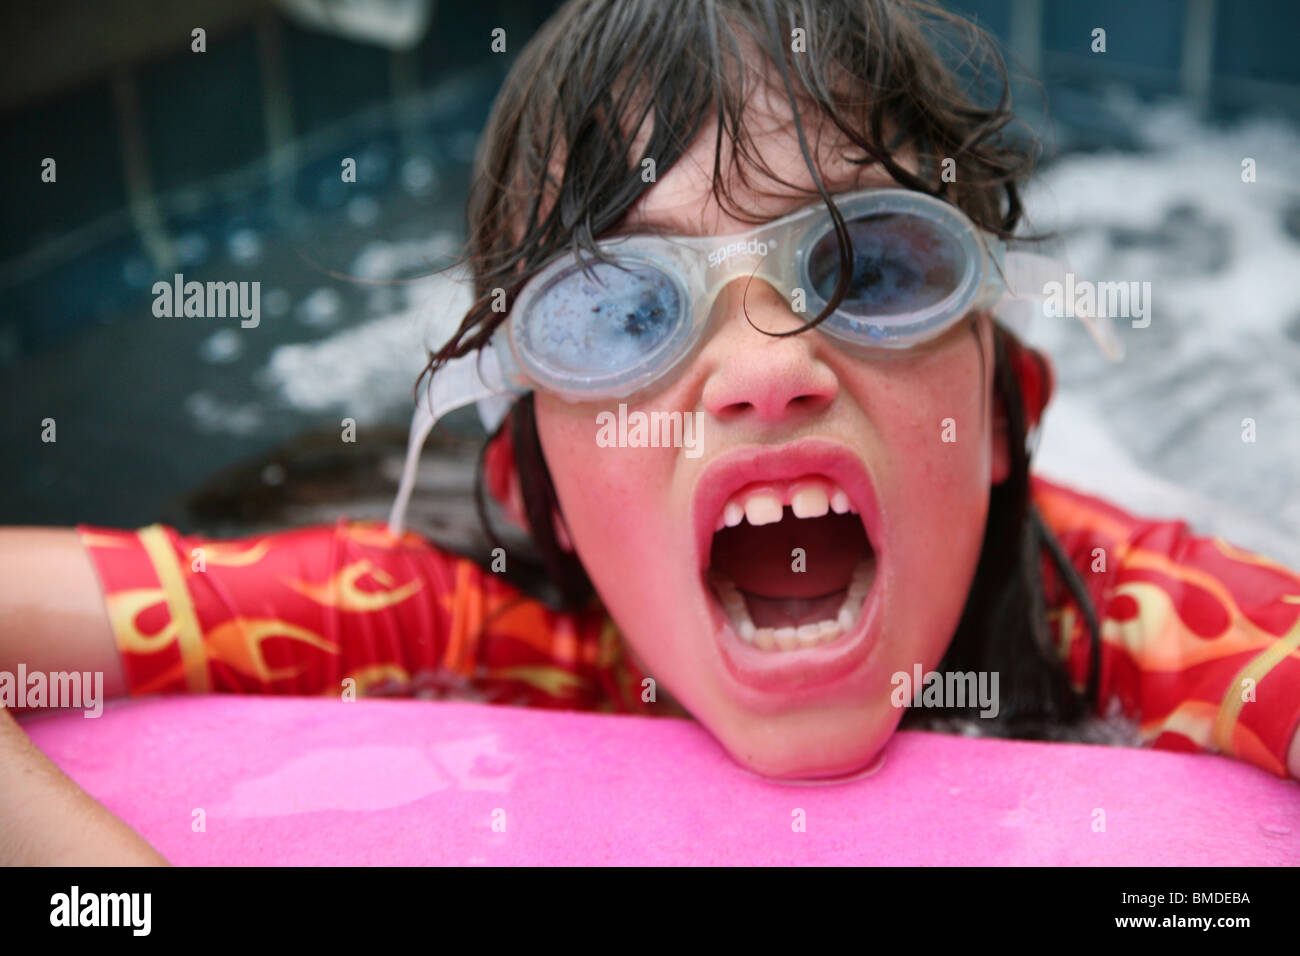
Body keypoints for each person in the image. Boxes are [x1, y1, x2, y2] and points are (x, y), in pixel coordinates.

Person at [2, 0, 1297, 865]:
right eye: (621, 312)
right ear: (539, 485)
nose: (768, 369)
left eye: (876, 270)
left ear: (1013, 419)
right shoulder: (466, 616)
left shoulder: (1131, 614)